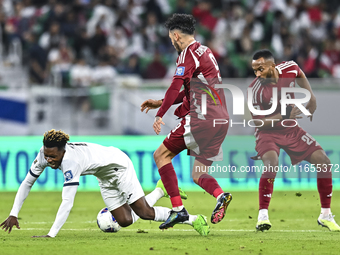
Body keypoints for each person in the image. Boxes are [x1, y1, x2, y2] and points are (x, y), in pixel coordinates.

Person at [0, 129, 210, 237]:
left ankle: (193, 219)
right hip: (103, 175)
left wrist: (50, 234)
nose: (50, 160)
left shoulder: (71, 161)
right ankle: (159, 190)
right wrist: (13, 213)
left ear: (63, 150)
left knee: (145, 213)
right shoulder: (44, 155)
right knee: (125, 220)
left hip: (119, 166)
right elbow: (27, 183)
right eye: (47, 155)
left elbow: (67, 202)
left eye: (54, 156)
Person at [140, 13, 232, 230]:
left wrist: (160, 114)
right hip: (221, 120)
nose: (171, 42)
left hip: (201, 118)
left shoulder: (187, 55)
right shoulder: (206, 52)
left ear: (176, 35)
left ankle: (179, 210)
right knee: (198, 173)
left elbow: (175, 86)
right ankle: (221, 195)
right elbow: (192, 91)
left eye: (171, 38)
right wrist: (162, 102)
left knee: (161, 155)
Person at [249, 49, 340, 232]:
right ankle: (262, 216)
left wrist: (311, 95)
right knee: (271, 163)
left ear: (272, 66)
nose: (257, 74)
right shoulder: (256, 89)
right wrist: (283, 115)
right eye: (254, 70)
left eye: (261, 69)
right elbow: (258, 122)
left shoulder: (288, 68)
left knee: (323, 161)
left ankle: (325, 215)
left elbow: (299, 72)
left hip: (291, 130)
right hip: (267, 133)